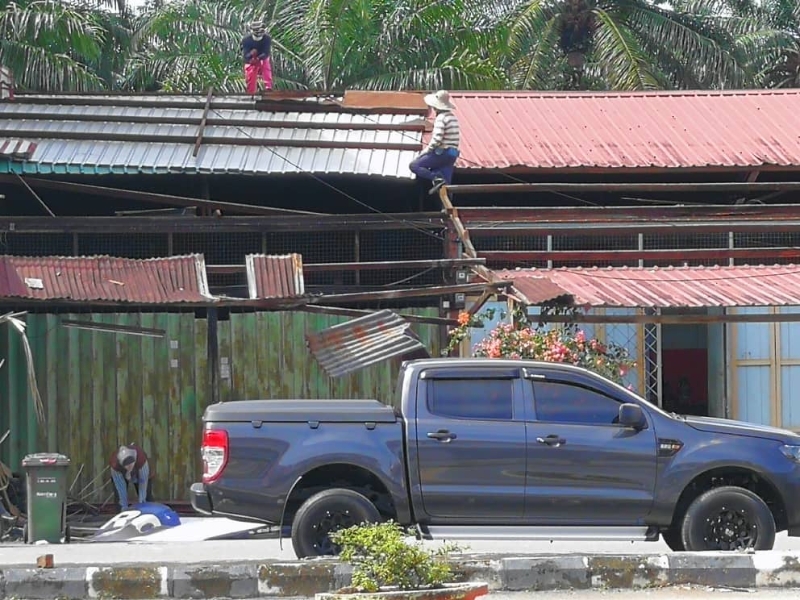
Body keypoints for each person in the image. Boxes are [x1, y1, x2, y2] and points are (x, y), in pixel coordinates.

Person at [409, 90, 461, 195]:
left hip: (442, 153)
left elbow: (437, 139)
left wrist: (424, 153)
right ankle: (446, 205)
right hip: (452, 154)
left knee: (414, 165)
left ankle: (436, 177)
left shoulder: (441, 118)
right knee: (446, 188)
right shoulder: (452, 117)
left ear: (435, 107)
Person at [109, 443, 153, 513]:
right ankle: (121, 518)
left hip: (140, 473)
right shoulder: (115, 465)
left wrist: (142, 504)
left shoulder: (141, 459)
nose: (129, 466)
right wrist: (123, 508)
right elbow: (121, 489)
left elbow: (143, 484)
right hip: (120, 474)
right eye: (127, 465)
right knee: (119, 500)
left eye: (131, 464)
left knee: (146, 496)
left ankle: (148, 514)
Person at [241, 20, 273, 94]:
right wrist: (251, 56)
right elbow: (245, 55)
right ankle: (251, 92)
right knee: (250, 72)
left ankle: (268, 87)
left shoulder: (267, 38)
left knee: (265, 66)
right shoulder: (246, 40)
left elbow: (266, 52)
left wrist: (258, 58)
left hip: (262, 57)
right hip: (251, 59)